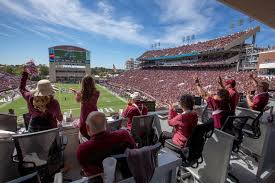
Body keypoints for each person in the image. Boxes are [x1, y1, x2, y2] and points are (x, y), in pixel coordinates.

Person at [77, 111, 135, 176]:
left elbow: (87, 172)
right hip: (124, 175)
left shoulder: (82, 149)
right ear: (106, 123)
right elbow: (133, 150)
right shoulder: (123, 135)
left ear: (87, 127)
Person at [20, 67, 63, 132]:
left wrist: (25, 74)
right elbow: (59, 118)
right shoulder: (54, 102)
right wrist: (60, 117)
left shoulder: (29, 97)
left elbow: (22, 88)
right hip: (50, 130)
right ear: (50, 90)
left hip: (33, 129)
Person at [70, 75, 100, 141]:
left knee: (83, 138)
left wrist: (77, 93)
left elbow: (78, 100)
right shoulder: (97, 93)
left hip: (85, 118)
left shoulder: (81, 94)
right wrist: (78, 93)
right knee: (94, 138)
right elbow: (88, 96)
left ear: (83, 84)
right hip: (94, 117)